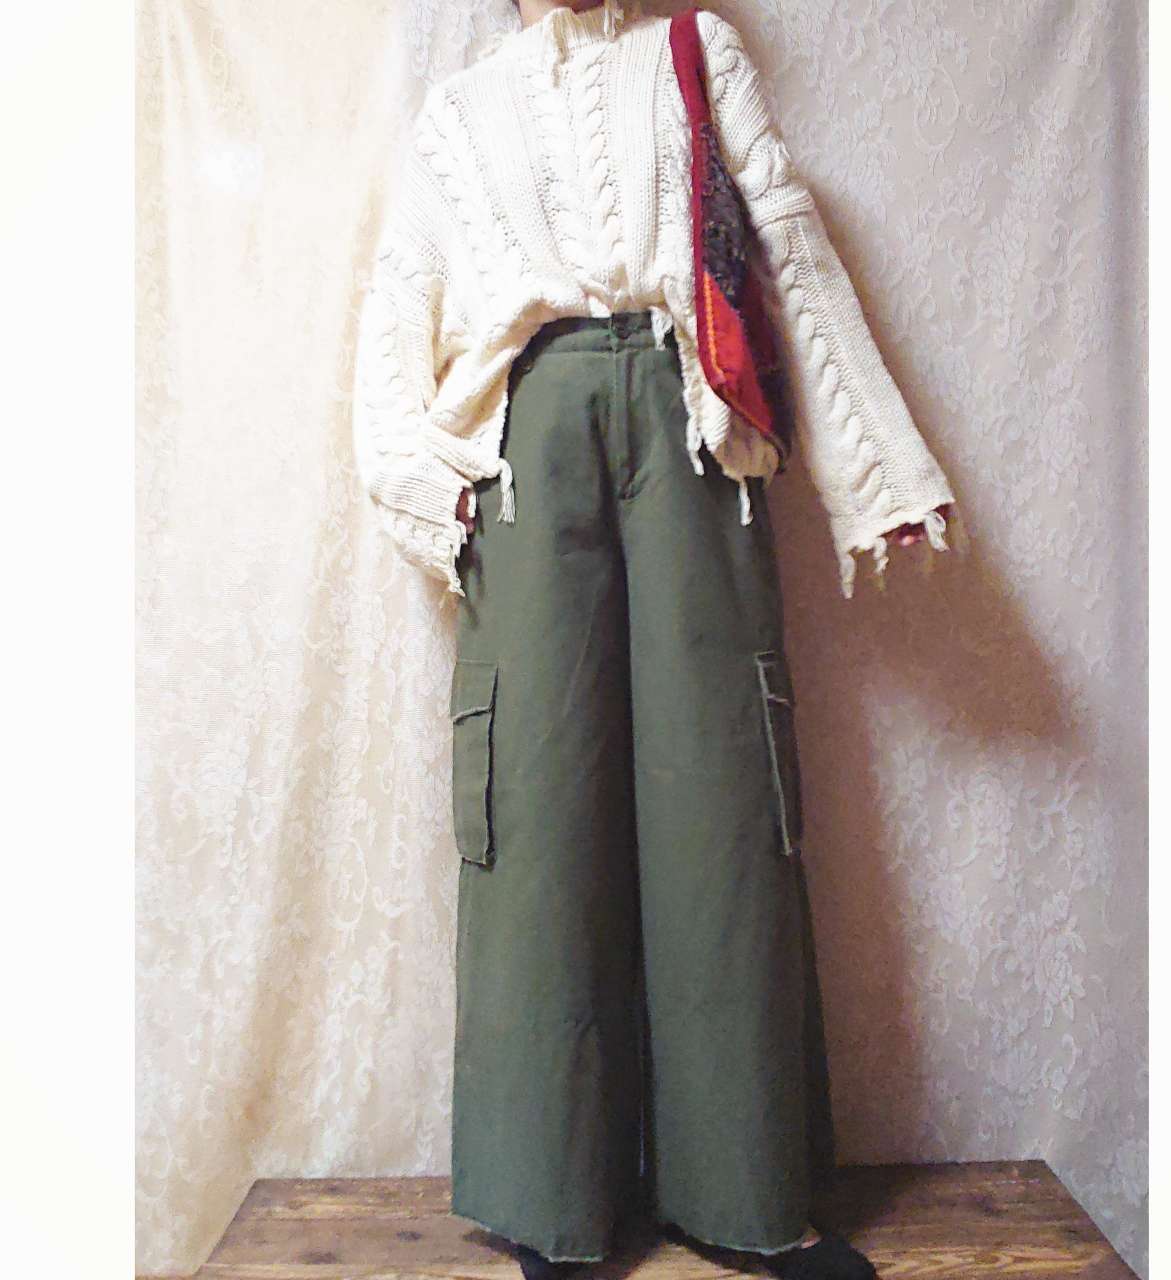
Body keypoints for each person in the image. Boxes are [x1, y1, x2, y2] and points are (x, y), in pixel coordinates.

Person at [352, 3, 958, 1278]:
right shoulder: (458, 108)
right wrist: (424, 486)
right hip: (523, 447)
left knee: (722, 798)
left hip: (693, 424)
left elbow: (781, 239)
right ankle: (553, 1200)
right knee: (535, 804)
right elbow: (400, 300)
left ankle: (744, 1194)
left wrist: (873, 469)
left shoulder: (697, 52)